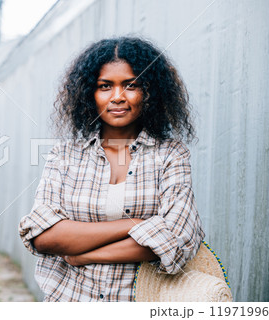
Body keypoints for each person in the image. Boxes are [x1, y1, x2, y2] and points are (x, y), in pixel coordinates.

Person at [18, 37, 205, 302]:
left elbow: (177, 239)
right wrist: (135, 225)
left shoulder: (170, 155)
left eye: (131, 85)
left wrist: (85, 254)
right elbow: (44, 236)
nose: (117, 97)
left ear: (150, 92)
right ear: (88, 94)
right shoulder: (64, 156)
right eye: (105, 86)